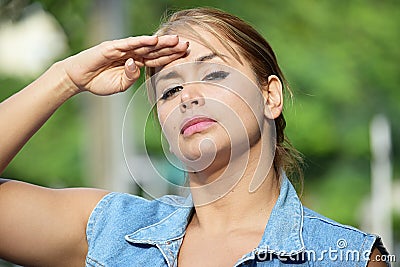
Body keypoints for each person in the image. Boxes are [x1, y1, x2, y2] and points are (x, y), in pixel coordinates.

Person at [0, 7, 391, 267]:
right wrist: (64, 79)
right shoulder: (112, 229)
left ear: (270, 96)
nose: (188, 96)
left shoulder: (349, 257)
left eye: (214, 74)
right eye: (169, 91)